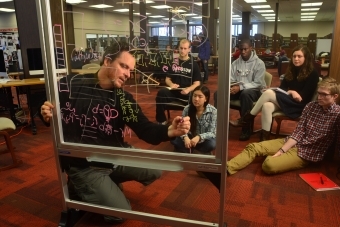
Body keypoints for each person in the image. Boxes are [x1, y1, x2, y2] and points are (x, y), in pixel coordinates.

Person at [40, 42, 191, 224]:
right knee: (120, 214)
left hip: (115, 155)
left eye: (130, 70)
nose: (128, 74)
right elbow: (47, 111)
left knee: (155, 170)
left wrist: (169, 131)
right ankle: (79, 186)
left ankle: (104, 184)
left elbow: (145, 130)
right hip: (84, 165)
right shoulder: (70, 84)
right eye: (124, 66)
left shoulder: (123, 99)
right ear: (107, 61)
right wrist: (46, 114)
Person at [227, 77, 340, 175]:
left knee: (268, 164)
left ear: (335, 96)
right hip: (291, 141)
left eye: (324, 94)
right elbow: (299, 132)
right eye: (319, 93)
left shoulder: (337, 115)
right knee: (253, 147)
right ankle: (226, 169)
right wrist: (282, 150)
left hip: (307, 152)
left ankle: (273, 156)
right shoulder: (311, 106)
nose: (319, 97)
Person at [242, 45, 320, 141]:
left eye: (299, 56)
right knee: (267, 106)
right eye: (294, 56)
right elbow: (282, 88)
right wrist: (291, 91)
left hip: (301, 105)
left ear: (306, 58)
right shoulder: (291, 70)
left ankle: (246, 119)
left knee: (269, 93)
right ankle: (263, 140)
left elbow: (302, 97)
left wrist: (291, 93)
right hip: (289, 101)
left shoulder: (313, 73)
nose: (296, 59)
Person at [213, 39, 266, 141]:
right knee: (218, 94)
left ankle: (246, 128)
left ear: (251, 48)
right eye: (241, 49)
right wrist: (230, 87)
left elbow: (258, 83)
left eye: (245, 49)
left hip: (254, 90)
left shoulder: (259, 63)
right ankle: (219, 125)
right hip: (237, 89)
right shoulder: (235, 63)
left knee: (245, 94)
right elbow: (231, 79)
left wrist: (240, 87)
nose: (243, 52)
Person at [155, 39, 201, 125]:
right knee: (161, 93)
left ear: (189, 49)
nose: (182, 50)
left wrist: (189, 89)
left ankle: (190, 122)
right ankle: (161, 120)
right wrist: (171, 84)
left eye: (185, 48)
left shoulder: (193, 64)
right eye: (181, 48)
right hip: (174, 91)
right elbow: (167, 79)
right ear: (178, 48)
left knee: (196, 98)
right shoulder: (174, 62)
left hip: (186, 92)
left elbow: (197, 82)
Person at [171, 85, 217, 155]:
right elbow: (181, 128)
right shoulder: (187, 109)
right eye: (194, 96)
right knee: (173, 138)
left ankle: (189, 150)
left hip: (203, 140)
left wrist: (199, 137)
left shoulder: (213, 111)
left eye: (200, 96)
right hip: (189, 138)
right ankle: (196, 151)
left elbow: (212, 132)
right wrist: (185, 138)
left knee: (212, 144)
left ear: (206, 98)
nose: (196, 99)